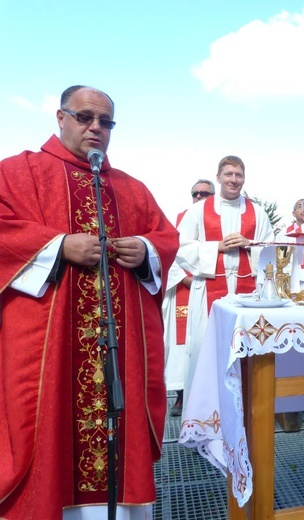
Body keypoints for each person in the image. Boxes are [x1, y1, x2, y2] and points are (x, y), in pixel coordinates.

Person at [0, 85, 179, 519]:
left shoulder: (131, 189)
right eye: (84, 117)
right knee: (46, 437)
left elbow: (165, 238)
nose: (96, 128)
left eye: (106, 122)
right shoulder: (18, 173)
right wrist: (57, 245)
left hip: (119, 355)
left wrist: (145, 249)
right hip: (48, 350)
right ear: (60, 118)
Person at [176, 155, 275, 403]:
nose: (234, 180)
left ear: (244, 178)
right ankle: (205, 412)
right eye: (229, 174)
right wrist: (216, 247)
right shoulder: (198, 210)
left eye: (238, 175)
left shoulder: (257, 212)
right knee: (205, 350)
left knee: (247, 351)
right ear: (218, 177)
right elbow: (180, 248)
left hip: (248, 292)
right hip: (207, 289)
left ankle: (249, 411)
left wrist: (249, 244)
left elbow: (271, 250)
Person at [162, 180, 215, 417]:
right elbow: (171, 252)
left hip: (213, 286)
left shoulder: (220, 219)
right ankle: (182, 396)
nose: (200, 196)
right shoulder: (182, 218)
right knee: (185, 345)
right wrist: (187, 281)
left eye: (205, 193)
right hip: (186, 287)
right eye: (196, 193)